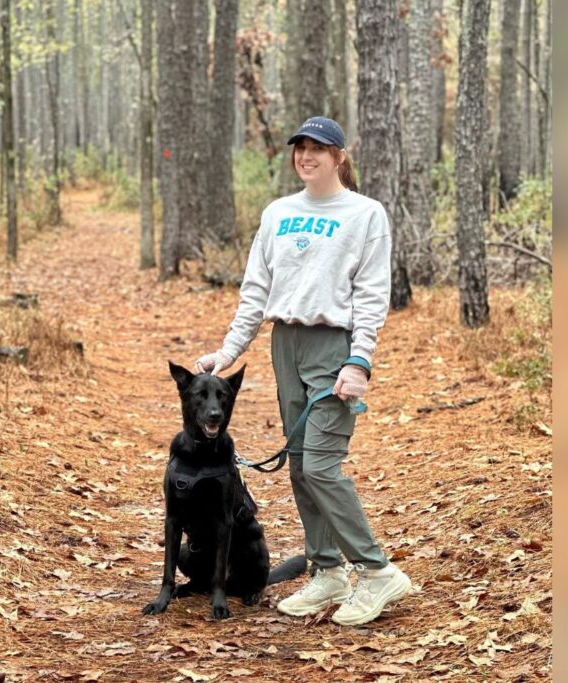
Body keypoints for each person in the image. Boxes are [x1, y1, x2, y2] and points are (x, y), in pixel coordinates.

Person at [194, 116, 412, 626]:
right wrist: (225, 354)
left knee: (320, 465)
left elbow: (373, 295)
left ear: (340, 156)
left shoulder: (365, 214)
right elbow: (255, 294)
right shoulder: (277, 213)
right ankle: (328, 571)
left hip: (331, 346)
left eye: (319, 148)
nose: (307, 156)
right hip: (284, 345)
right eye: (301, 148)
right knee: (298, 466)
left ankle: (377, 572)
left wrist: (360, 361)